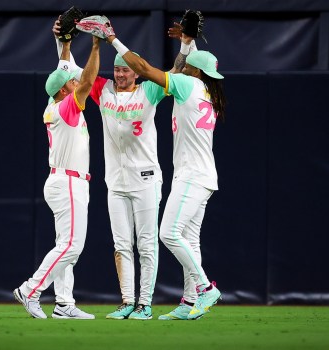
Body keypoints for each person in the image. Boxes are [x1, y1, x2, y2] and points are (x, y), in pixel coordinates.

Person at [52, 19, 198, 320]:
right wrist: (63, 41)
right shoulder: (102, 89)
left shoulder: (149, 91)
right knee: (121, 245)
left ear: (134, 72)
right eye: (117, 70)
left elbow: (177, 71)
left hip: (145, 178)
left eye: (125, 70)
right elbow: (69, 72)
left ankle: (145, 303)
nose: (120, 74)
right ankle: (127, 301)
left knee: (146, 244)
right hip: (115, 181)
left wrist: (185, 44)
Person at [84, 20, 226, 321]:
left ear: (195, 72)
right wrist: (187, 41)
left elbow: (153, 71)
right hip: (197, 175)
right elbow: (186, 64)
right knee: (190, 238)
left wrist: (112, 39)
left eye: (189, 66)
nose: (184, 68)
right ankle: (189, 304)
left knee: (167, 234)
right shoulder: (205, 90)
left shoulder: (187, 84)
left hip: (189, 175)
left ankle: (204, 287)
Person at [13, 34, 100, 320]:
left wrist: (64, 45)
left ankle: (63, 304)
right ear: (64, 90)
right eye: (71, 83)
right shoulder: (66, 107)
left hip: (64, 181)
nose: (77, 83)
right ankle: (30, 290)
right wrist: (97, 45)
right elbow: (86, 81)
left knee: (65, 245)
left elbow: (68, 71)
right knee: (72, 246)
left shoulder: (56, 102)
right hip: (69, 183)